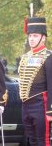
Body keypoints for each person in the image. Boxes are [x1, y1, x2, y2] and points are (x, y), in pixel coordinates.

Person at [18, 17, 52, 146]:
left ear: (43, 38)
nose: (31, 39)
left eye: (35, 36)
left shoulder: (49, 56)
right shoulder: (25, 57)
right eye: (30, 35)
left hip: (41, 104)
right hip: (26, 104)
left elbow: (51, 84)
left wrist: (50, 110)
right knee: (31, 140)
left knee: (42, 140)